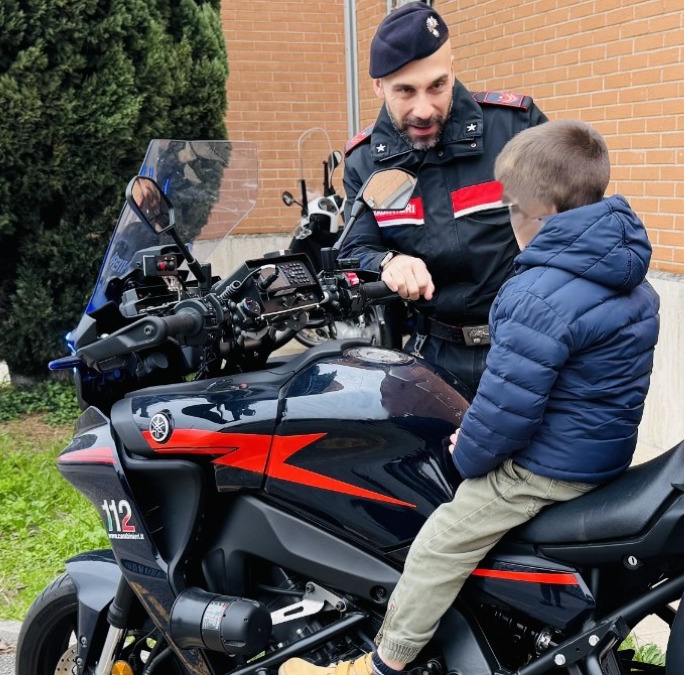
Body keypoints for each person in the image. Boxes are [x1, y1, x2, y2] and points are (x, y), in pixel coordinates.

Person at [280, 120, 661, 675]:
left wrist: (468, 455)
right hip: (601, 454)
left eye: (510, 209)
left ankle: (384, 661)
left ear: (539, 215)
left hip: (547, 469)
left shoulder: (534, 294)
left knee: (440, 541)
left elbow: (508, 410)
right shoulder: (627, 273)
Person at [337, 2, 549, 395]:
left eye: (437, 85)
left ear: (453, 69)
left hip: (526, 350)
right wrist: (387, 262)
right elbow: (354, 249)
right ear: (378, 86)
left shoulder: (515, 129)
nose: (424, 109)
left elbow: (574, 229)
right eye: (405, 90)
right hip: (429, 361)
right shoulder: (364, 161)